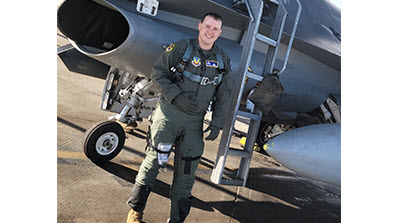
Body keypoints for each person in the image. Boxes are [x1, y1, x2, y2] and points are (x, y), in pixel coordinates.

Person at [126, 12, 233, 223]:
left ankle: (176, 220)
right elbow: (158, 73)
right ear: (200, 25)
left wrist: (217, 122)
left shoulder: (222, 59)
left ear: (219, 33)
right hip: (168, 117)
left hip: (194, 124)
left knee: (186, 176)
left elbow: (225, 94)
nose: (210, 32)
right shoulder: (181, 48)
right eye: (207, 26)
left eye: (215, 29)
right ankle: (135, 211)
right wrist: (177, 97)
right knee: (153, 163)